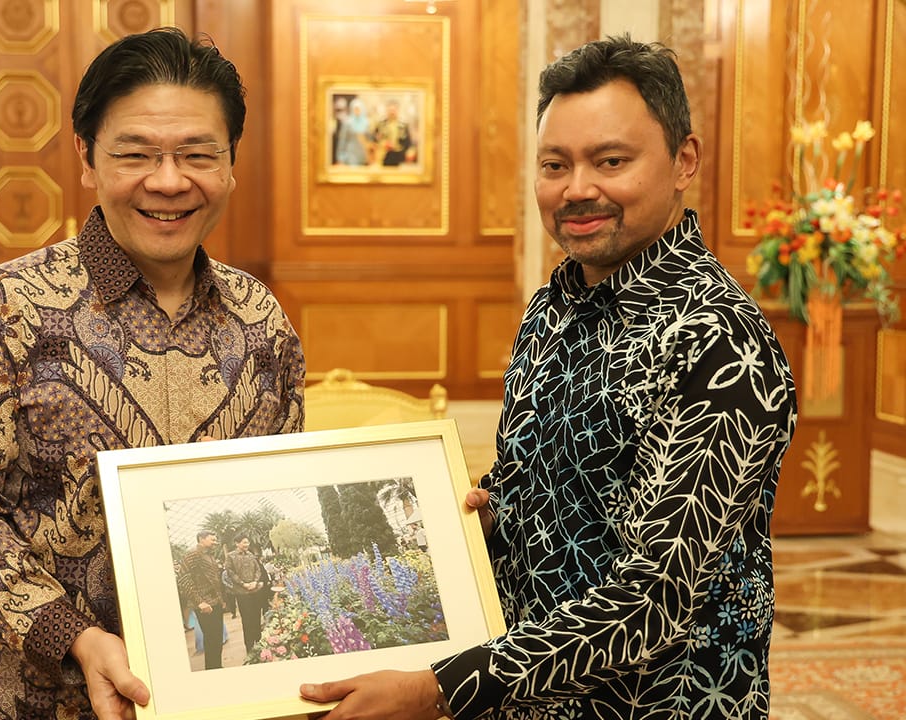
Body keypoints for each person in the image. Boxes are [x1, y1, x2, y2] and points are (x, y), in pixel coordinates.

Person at [299, 34, 796, 720]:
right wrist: (489, 512)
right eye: (554, 164)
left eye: (611, 161)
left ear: (685, 160)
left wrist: (439, 687)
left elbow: (653, 598)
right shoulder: (553, 308)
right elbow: (543, 483)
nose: (578, 189)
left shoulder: (716, 341)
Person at [0, 27, 305, 720]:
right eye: (136, 154)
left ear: (232, 164)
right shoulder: (8, 307)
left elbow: (285, 491)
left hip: (226, 696)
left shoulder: (262, 320)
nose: (168, 180)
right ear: (87, 159)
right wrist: (77, 639)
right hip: (42, 701)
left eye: (197, 154)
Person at [177, 530, 226, 670]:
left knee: (217, 638)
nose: (215, 542)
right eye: (212, 539)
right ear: (201, 539)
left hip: (215, 603)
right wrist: (199, 602)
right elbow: (183, 578)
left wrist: (221, 600)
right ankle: (212, 668)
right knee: (211, 638)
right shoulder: (193, 554)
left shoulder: (209, 556)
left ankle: (217, 666)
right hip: (204, 605)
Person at [224, 533, 268, 654]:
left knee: (256, 617)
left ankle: (259, 642)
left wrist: (255, 582)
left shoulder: (251, 555)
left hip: (255, 590)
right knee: (247, 620)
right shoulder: (230, 556)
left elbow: (258, 570)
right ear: (237, 543)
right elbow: (230, 572)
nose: (247, 544)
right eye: (244, 542)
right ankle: (250, 647)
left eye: (247, 542)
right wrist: (243, 584)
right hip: (242, 593)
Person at [372, 99, 415, 166]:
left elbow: (408, 142)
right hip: (384, 156)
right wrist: (383, 143)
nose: (392, 112)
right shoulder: (380, 124)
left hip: (400, 156)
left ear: (398, 111)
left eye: (394, 110)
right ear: (387, 110)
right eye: (390, 110)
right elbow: (375, 140)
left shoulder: (403, 125)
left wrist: (409, 152)